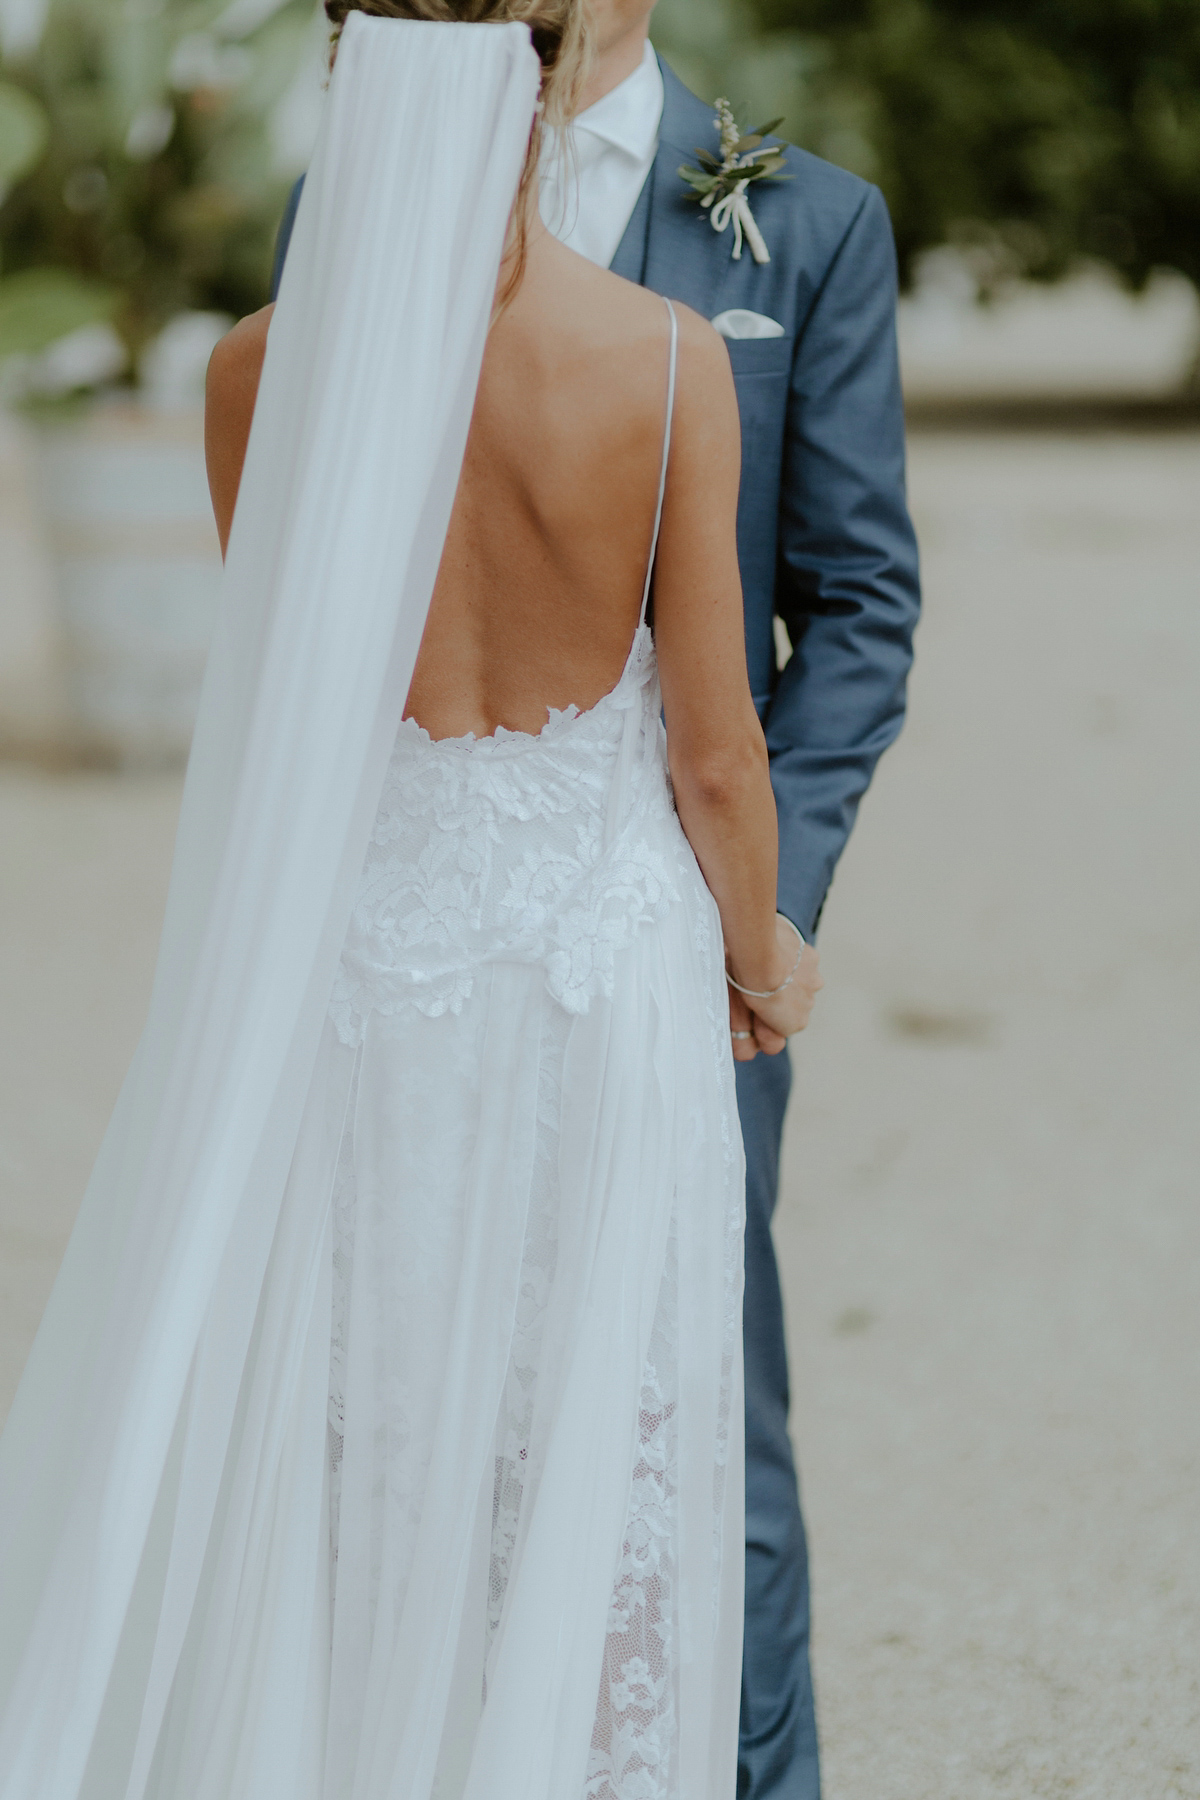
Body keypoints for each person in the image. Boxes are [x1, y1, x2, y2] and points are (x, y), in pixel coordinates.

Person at [0, 5, 823, 1796]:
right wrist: (763, 956)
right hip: (596, 991)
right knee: (594, 1442)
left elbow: (303, 715)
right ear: (537, 97)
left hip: (361, 981)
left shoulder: (252, 372)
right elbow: (713, 756)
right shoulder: (669, 365)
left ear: (340, 90)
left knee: (358, 1438)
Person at [272, 5, 922, 1797]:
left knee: (705, 1418)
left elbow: (857, 604)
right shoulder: (344, 230)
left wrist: (758, 918)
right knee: (407, 1409)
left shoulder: (806, 223)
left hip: (642, 941)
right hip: (473, 941)